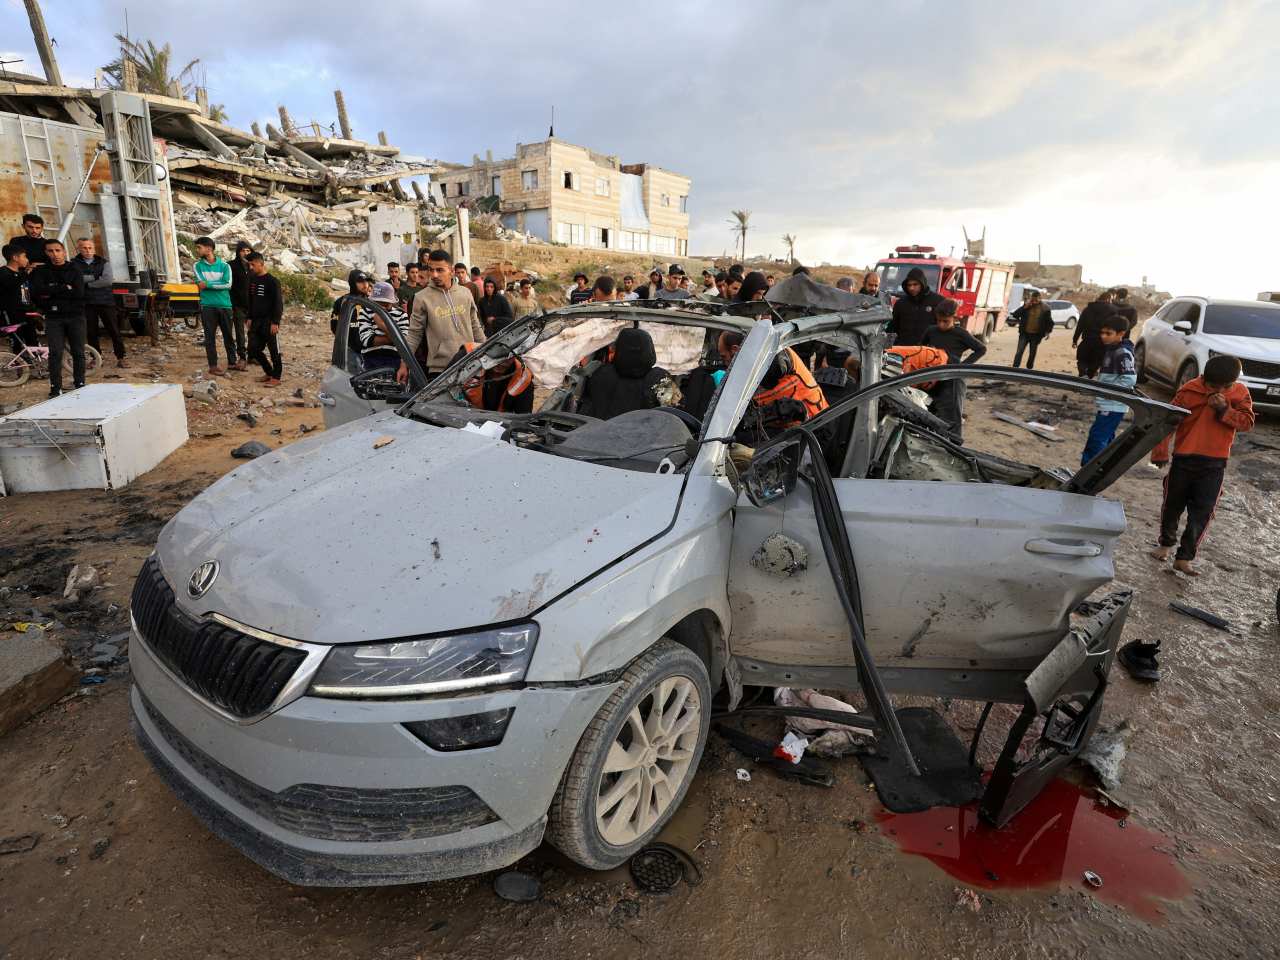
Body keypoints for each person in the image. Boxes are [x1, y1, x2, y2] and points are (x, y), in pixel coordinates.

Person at [1149, 354, 1254, 577]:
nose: (1220, 391)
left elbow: (1247, 423)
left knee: (1204, 510)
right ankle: (1166, 543)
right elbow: (1167, 421)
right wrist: (1160, 452)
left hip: (1215, 464)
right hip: (1183, 460)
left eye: (1226, 387)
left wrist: (1224, 409)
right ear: (1203, 378)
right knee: (1172, 505)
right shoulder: (1188, 392)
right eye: (1214, 387)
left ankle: (1184, 557)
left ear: (1234, 382)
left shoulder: (1240, 393)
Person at [399, 249, 486, 383]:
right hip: (439, 369)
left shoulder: (466, 293)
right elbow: (414, 334)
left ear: (451, 271)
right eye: (431, 270)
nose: (434, 275)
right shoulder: (422, 298)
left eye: (440, 270)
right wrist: (404, 364)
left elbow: (475, 326)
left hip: (469, 364)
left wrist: (487, 352)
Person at [718, 331, 827, 437]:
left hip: (813, 425)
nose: (726, 363)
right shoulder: (749, 364)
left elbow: (778, 364)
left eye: (724, 357)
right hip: (786, 425)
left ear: (736, 349)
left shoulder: (775, 353)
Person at [30, 238, 86, 397]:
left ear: (64, 252)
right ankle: (55, 387)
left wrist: (52, 291)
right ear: (46, 253)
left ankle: (80, 383)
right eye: (51, 251)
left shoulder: (75, 269)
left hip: (76, 316)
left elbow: (78, 293)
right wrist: (64, 287)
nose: (55, 254)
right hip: (53, 317)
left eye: (57, 250)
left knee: (78, 352)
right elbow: (38, 290)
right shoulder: (41, 271)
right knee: (55, 353)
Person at [1080, 317, 1136, 465]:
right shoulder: (1113, 349)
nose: (1104, 336)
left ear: (1121, 334)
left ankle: (1089, 471)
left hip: (1112, 405)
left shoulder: (1122, 352)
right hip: (1109, 403)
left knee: (1097, 438)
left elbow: (1129, 378)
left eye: (1108, 333)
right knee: (1106, 439)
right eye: (1102, 333)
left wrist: (1110, 395)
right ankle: (1102, 469)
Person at [74, 237, 128, 369]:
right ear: (78, 249)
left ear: (93, 248)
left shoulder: (104, 263)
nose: (88, 250)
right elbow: (74, 279)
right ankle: (96, 359)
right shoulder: (73, 263)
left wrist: (87, 285)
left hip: (105, 301)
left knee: (114, 331)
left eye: (90, 247)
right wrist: (94, 278)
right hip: (86, 302)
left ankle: (120, 357)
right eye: (84, 248)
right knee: (91, 333)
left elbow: (107, 281)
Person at [192, 237, 237, 376]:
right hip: (207, 305)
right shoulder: (197, 266)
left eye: (199, 247)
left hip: (225, 305)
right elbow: (201, 284)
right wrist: (213, 284)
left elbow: (227, 284)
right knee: (210, 337)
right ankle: (213, 365)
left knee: (228, 336)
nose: (197, 250)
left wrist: (208, 284)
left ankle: (232, 362)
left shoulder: (225, 266)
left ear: (208, 249)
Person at [451, 342, 535, 413]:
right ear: (488, 340)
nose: (501, 362)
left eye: (508, 356)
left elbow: (523, 417)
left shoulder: (523, 378)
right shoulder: (467, 357)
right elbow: (444, 396)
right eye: (497, 352)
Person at [245, 252, 283, 386]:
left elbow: (278, 303)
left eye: (253, 265)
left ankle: (276, 377)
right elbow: (251, 300)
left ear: (261, 264)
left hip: (269, 320)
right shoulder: (253, 279)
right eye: (249, 265)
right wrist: (249, 317)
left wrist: (275, 322)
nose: (251, 267)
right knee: (253, 348)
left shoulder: (272, 281)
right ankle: (269, 372)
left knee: (274, 351)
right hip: (256, 320)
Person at [886, 266, 946, 347]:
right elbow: (892, 328)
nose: (912, 288)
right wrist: (898, 343)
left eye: (915, 284)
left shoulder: (939, 301)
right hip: (904, 350)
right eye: (909, 285)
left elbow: (947, 327)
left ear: (922, 283)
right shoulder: (900, 303)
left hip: (929, 350)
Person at [358, 281, 410, 372]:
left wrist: (381, 325)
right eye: (378, 305)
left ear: (392, 302)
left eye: (386, 305)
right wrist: (395, 338)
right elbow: (367, 340)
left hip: (395, 360)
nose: (382, 309)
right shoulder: (365, 312)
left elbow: (403, 342)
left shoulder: (401, 314)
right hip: (371, 361)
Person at [0, 243, 38, 352]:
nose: (27, 260)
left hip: (28, 311)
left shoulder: (23, 274)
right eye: (24, 257)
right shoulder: (4, 272)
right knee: (16, 340)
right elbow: (10, 285)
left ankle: (35, 361)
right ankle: (16, 361)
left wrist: (45, 307)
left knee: (32, 340)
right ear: (15, 258)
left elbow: (33, 293)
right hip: (12, 312)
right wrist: (25, 274)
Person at [1073, 290, 1117, 378]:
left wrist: (1075, 340)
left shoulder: (1087, 310)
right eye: (1111, 300)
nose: (1111, 302)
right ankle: (1089, 377)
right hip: (1102, 341)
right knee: (1096, 361)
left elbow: (1080, 326)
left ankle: (1082, 373)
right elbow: (1114, 327)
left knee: (1081, 359)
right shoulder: (1112, 311)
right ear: (1107, 299)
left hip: (1087, 340)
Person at [1009, 289, 1052, 369]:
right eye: (1033, 300)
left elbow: (1049, 322)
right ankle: (1015, 369)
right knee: (1019, 351)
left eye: (1036, 300)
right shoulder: (1027, 306)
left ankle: (1029, 369)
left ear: (1040, 299)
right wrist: (1025, 307)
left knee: (1032, 353)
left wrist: (1047, 331)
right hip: (1024, 334)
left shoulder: (1045, 309)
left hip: (1036, 335)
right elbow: (1015, 315)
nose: (1034, 302)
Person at [229, 240, 253, 368]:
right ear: (238, 252)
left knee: (253, 331)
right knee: (239, 331)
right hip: (237, 304)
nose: (245, 253)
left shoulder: (254, 266)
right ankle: (242, 356)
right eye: (243, 251)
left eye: (248, 250)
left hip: (252, 305)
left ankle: (252, 355)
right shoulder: (231, 266)